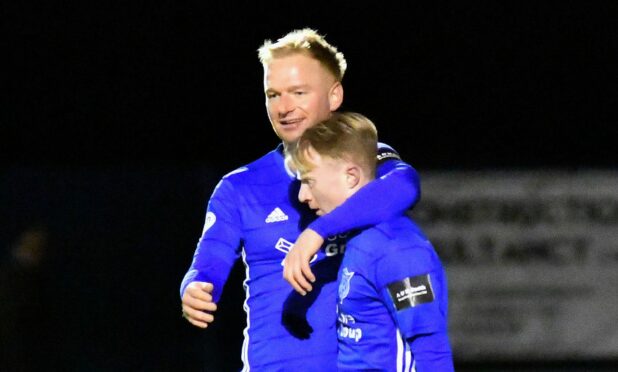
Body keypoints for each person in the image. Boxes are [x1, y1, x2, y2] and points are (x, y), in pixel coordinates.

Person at [180, 28, 421, 370]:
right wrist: (195, 288)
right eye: (273, 94)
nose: (284, 107)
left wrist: (317, 232)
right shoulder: (241, 186)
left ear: (334, 96)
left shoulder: (366, 164)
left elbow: (406, 187)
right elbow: (209, 262)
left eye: (298, 92)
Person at [287, 112, 454, 371]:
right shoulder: (359, 239)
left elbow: (432, 352)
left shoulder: (397, 247)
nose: (302, 195)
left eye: (309, 181)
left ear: (351, 177)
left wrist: (315, 232)